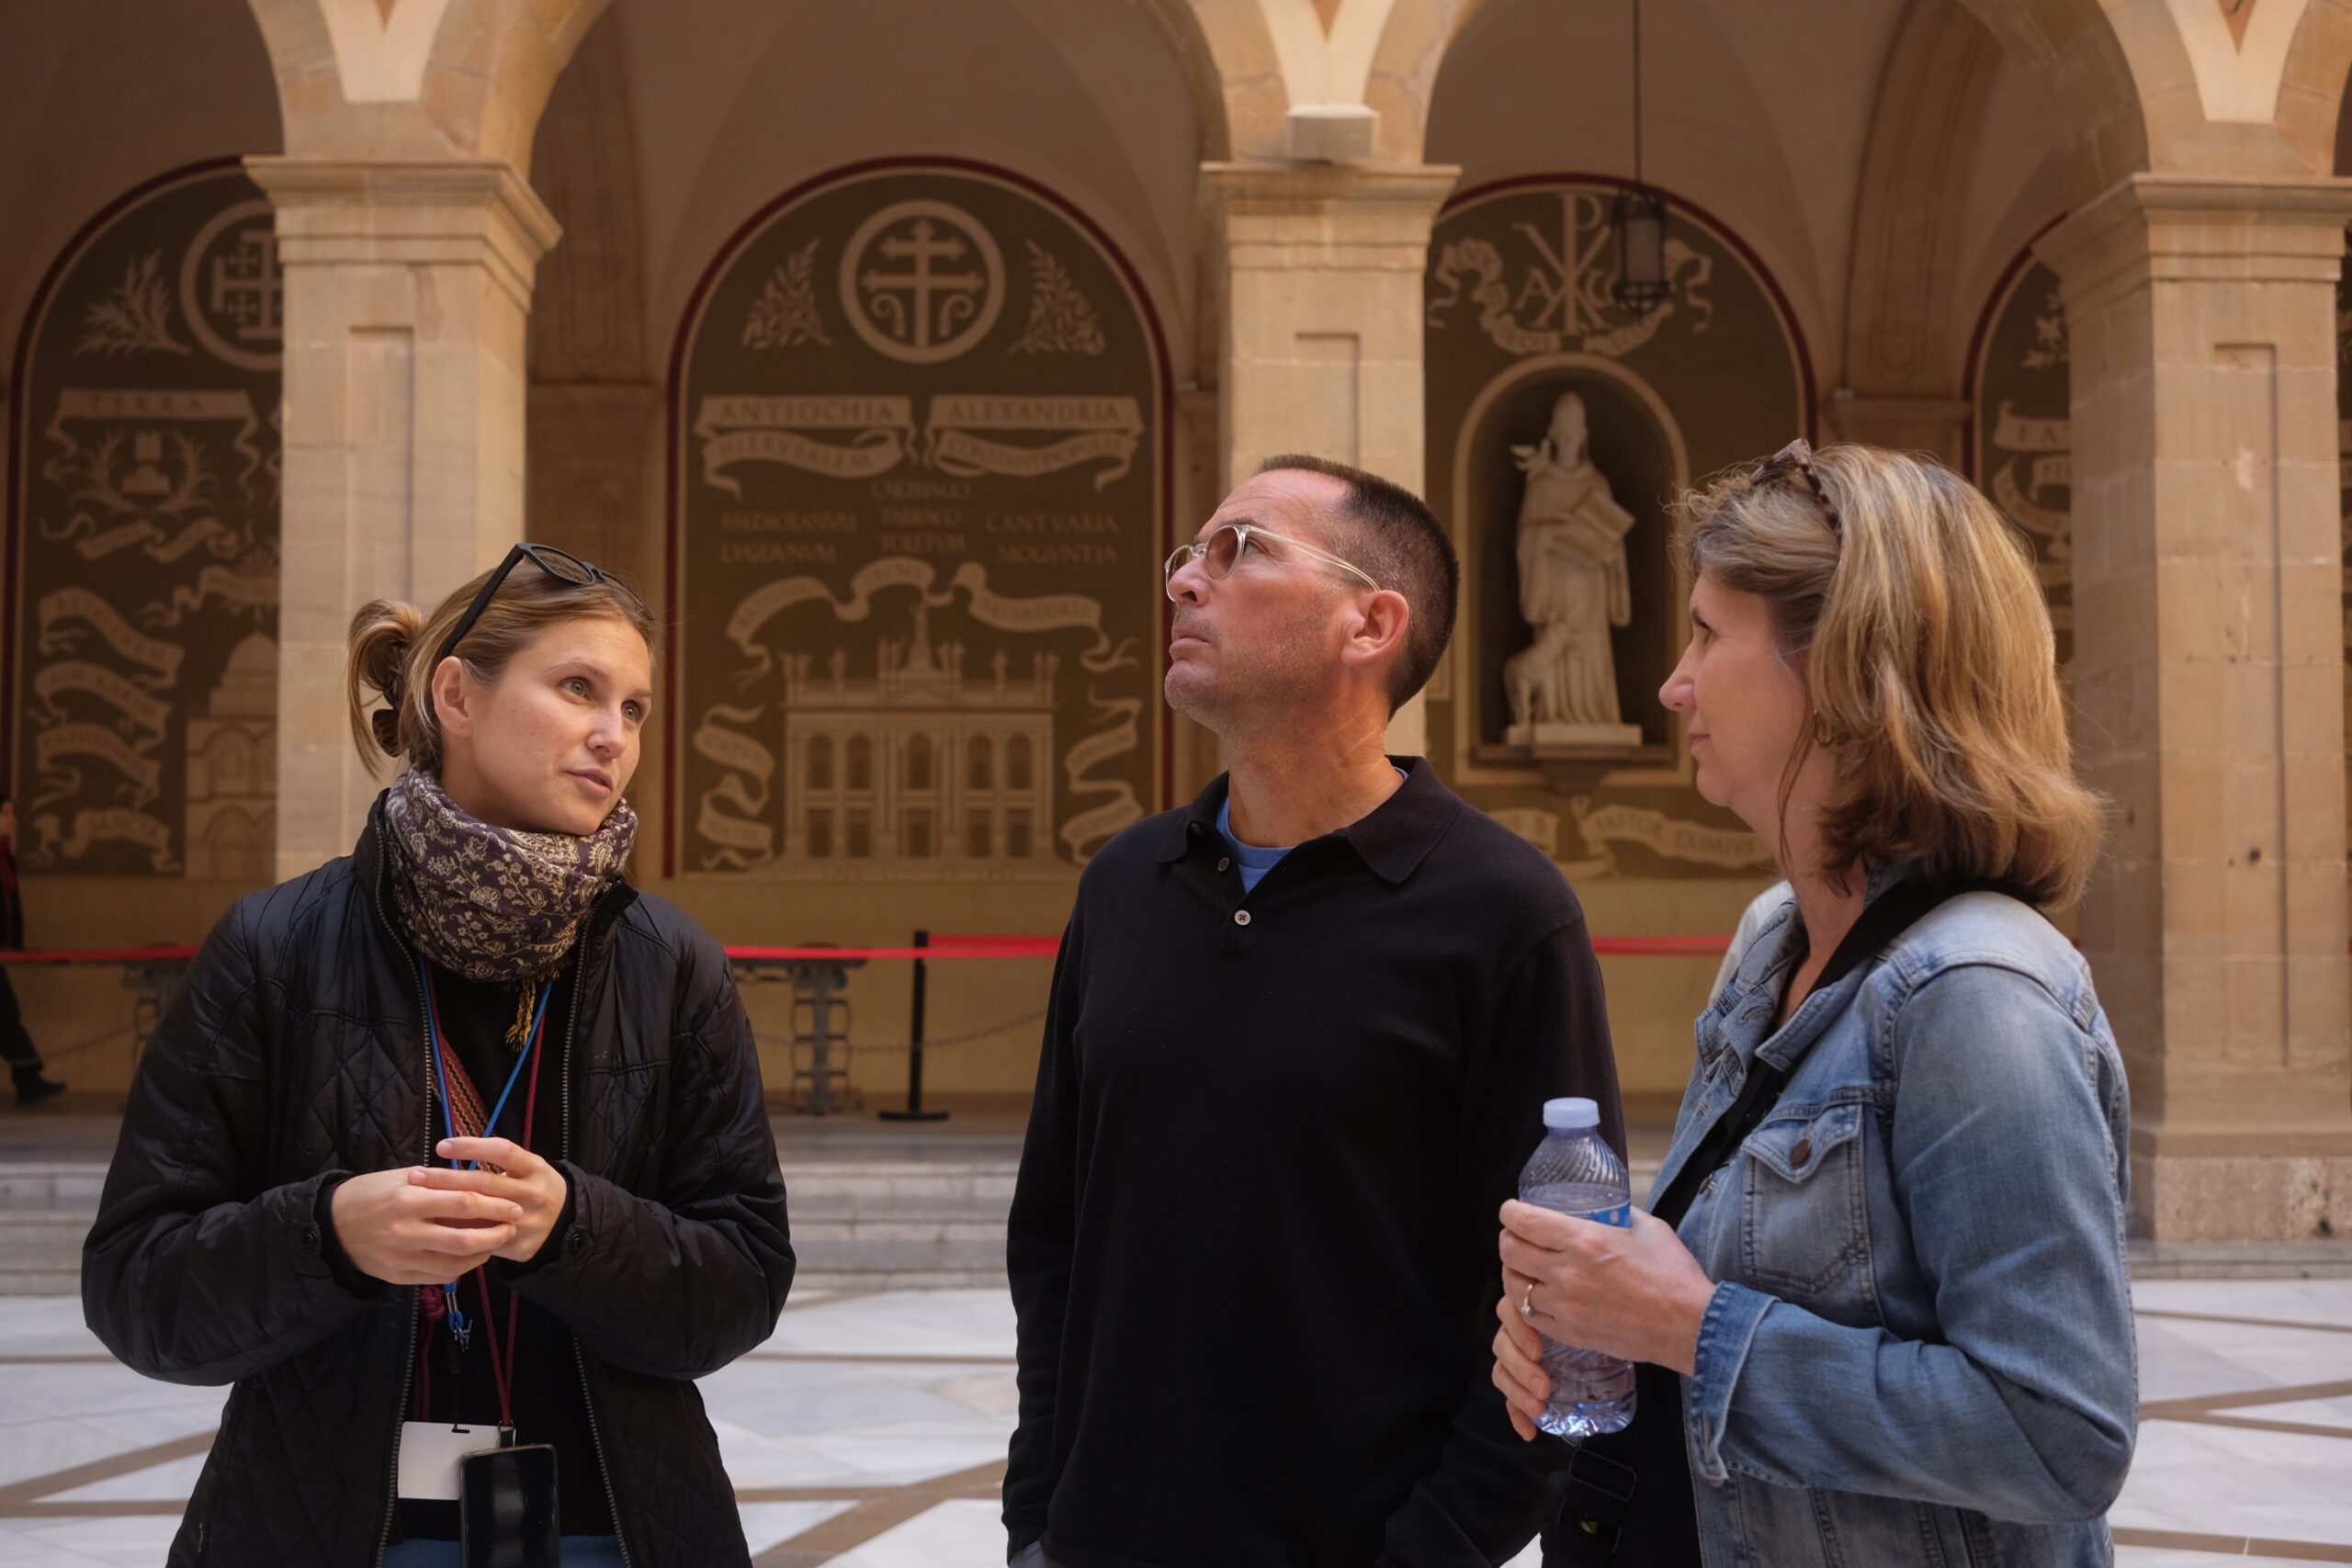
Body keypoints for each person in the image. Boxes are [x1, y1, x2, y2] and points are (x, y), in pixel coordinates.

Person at [84, 545, 794, 1568]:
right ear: (457, 695)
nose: (613, 736)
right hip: (321, 1530)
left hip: (613, 1528)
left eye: (634, 708)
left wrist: (572, 1231)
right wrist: (328, 1236)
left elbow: (745, 1281)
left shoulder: (672, 965)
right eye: (578, 688)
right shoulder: (273, 948)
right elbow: (135, 1288)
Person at [1491, 442, 2135, 1566]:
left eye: (1704, 632)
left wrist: (1684, 1328)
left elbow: (2057, 1435)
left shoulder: (1977, 993)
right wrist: (1595, 1336)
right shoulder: (1770, 941)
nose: (1671, 682)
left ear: (1837, 669)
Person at [1004, 456, 1623, 1568]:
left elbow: (1563, 1298)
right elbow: (1054, 1238)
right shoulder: (1125, 884)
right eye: (1188, 554)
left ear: (1368, 624)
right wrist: (1038, 1521)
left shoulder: (1502, 912)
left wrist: (1432, 1550)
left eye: (1239, 549)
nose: (1187, 581)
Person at [0, 793, 67, 1106]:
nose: (12, 819)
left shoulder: (5, 859)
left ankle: (28, 1078)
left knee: (6, 1015)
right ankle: (28, 1078)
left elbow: (12, 905)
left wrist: (16, 944)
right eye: (6, 813)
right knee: (5, 1015)